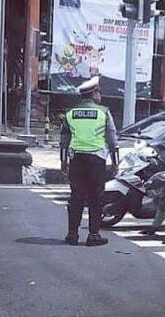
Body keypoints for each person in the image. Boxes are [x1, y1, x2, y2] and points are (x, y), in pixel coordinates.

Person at [60, 76, 118, 246]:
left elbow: (64, 139)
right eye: (99, 91)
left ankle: (72, 234)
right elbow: (112, 139)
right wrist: (115, 162)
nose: (100, 95)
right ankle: (94, 235)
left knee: (76, 197)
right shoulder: (104, 112)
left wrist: (63, 162)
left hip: (76, 159)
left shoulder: (70, 113)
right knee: (96, 198)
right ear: (93, 93)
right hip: (96, 160)